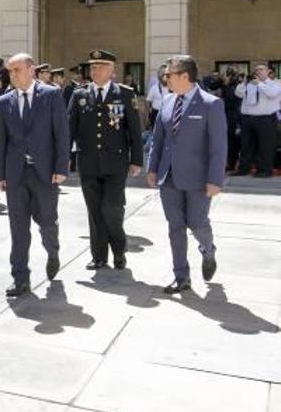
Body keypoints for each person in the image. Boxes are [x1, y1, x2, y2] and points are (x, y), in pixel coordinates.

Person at [147, 55, 227, 294]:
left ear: (184, 76)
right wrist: (152, 168)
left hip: (198, 178)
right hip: (168, 176)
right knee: (175, 227)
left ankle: (208, 250)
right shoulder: (168, 101)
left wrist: (215, 180)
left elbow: (218, 146)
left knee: (197, 222)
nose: (165, 78)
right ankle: (181, 277)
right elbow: (157, 140)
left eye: (169, 74)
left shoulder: (211, 104)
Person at [0, 53, 69, 297]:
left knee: (47, 221)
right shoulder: (4, 101)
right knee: (18, 228)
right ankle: (20, 278)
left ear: (32, 70)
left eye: (17, 70)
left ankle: (53, 251)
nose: (13, 75)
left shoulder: (51, 95)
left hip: (45, 173)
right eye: (10, 71)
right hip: (16, 174)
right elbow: (1, 141)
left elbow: (61, 134)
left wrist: (61, 168)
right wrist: (1, 173)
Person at [68, 50, 143, 271]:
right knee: (94, 210)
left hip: (115, 163)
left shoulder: (126, 95)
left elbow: (134, 131)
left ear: (112, 70)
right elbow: (69, 129)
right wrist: (63, 158)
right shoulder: (79, 95)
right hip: (88, 162)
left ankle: (119, 251)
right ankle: (99, 256)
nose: (95, 71)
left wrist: (136, 160)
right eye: (92, 67)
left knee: (112, 208)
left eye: (100, 67)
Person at [234, 64, 280, 177]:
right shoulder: (250, 84)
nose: (258, 71)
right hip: (247, 118)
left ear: (268, 71)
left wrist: (259, 84)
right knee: (246, 146)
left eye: (261, 69)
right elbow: (238, 93)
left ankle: (265, 170)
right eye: (256, 70)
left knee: (265, 146)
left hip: (266, 119)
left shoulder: (275, 84)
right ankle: (243, 169)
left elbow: (272, 94)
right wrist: (243, 83)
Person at [146, 64, 170, 128]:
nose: (165, 76)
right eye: (163, 74)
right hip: (155, 114)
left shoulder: (173, 88)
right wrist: (149, 113)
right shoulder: (154, 88)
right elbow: (148, 102)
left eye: (167, 74)